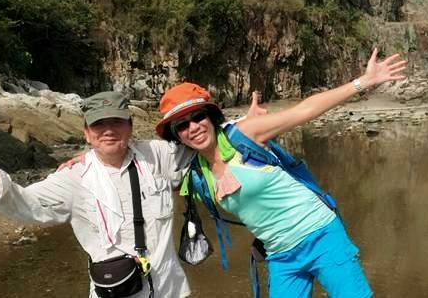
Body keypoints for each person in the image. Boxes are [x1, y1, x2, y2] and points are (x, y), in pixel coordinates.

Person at [155, 49, 406, 298]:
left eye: (198, 117)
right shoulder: (196, 175)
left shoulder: (244, 134)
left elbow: (304, 111)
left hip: (321, 235)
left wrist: (364, 81)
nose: (193, 128)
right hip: (281, 255)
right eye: (182, 125)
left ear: (210, 117)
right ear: (176, 136)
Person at [0, 91, 191, 298]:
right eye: (99, 124)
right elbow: (23, 203)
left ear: (130, 127)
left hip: (170, 291)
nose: (108, 130)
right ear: (86, 133)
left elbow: (202, 144)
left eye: (116, 121)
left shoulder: (156, 156)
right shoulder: (73, 177)